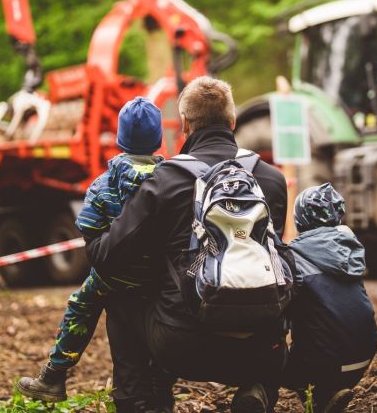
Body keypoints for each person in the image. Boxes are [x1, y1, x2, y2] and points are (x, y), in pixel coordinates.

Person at [86, 76, 290, 413]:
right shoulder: (271, 179)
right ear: (233, 122)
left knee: (122, 299)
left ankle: (141, 402)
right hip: (262, 344)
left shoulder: (165, 180)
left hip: (184, 344)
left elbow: (108, 258)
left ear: (184, 125)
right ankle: (260, 388)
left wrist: (94, 231)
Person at [16, 97, 164, 403]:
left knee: (81, 305)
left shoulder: (103, 184)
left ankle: (54, 375)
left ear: (121, 139)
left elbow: (90, 235)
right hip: (161, 278)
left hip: (115, 278)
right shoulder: (169, 181)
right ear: (158, 140)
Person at [283, 183, 377, 413]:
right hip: (364, 355)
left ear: (300, 220)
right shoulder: (350, 249)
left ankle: (318, 399)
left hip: (325, 360)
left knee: (269, 358)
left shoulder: (293, 256)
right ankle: (327, 395)